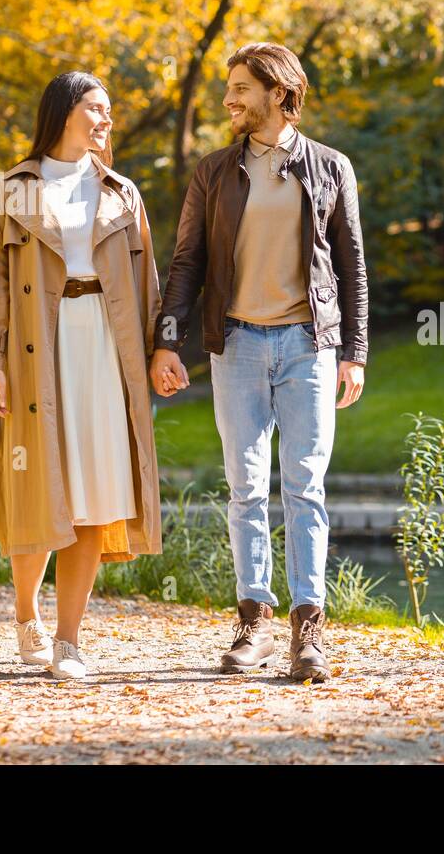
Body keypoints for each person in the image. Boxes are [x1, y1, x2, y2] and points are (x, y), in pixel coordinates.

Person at [150, 42, 367, 683]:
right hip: (237, 343)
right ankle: (253, 624)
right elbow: (187, 262)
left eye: (241, 88)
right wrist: (169, 338)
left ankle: (309, 633)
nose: (229, 100)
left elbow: (352, 267)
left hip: (310, 346)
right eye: (228, 88)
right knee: (245, 486)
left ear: (278, 91)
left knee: (304, 485)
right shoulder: (214, 173)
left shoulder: (330, 167)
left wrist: (353, 354)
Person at [0, 71, 163, 680]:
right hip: (38, 344)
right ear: (62, 111)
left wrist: (163, 349)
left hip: (105, 347)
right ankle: (26, 610)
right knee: (38, 486)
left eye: (109, 110)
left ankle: (68, 640)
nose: (106, 119)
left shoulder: (121, 191)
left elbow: (147, 286)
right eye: (95, 108)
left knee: (94, 492)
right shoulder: (9, 189)